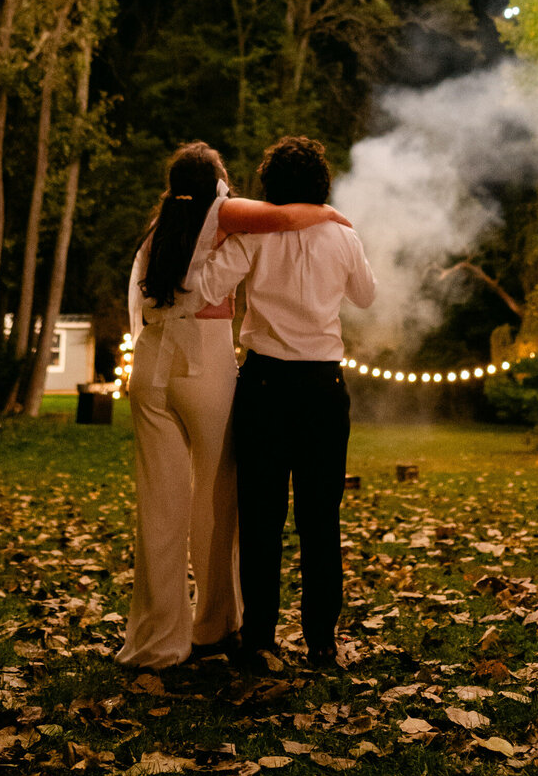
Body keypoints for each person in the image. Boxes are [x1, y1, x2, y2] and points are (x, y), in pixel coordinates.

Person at [118, 140, 350, 671]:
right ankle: (215, 624)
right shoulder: (220, 212)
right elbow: (287, 214)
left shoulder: (161, 229)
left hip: (150, 363)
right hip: (202, 362)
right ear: (215, 182)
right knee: (220, 502)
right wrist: (330, 212)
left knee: (158, 506)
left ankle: (157, 640)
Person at [193, 134, 376, 670]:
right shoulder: (343, 236)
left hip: (266, 386)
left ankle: (259, 639)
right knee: (321, 519)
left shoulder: (257, 234)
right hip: (322, 388)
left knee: (262, 518)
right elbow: (366, 295)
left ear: (271, 186)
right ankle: (322, 641)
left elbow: (209, 286)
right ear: (321, 184)